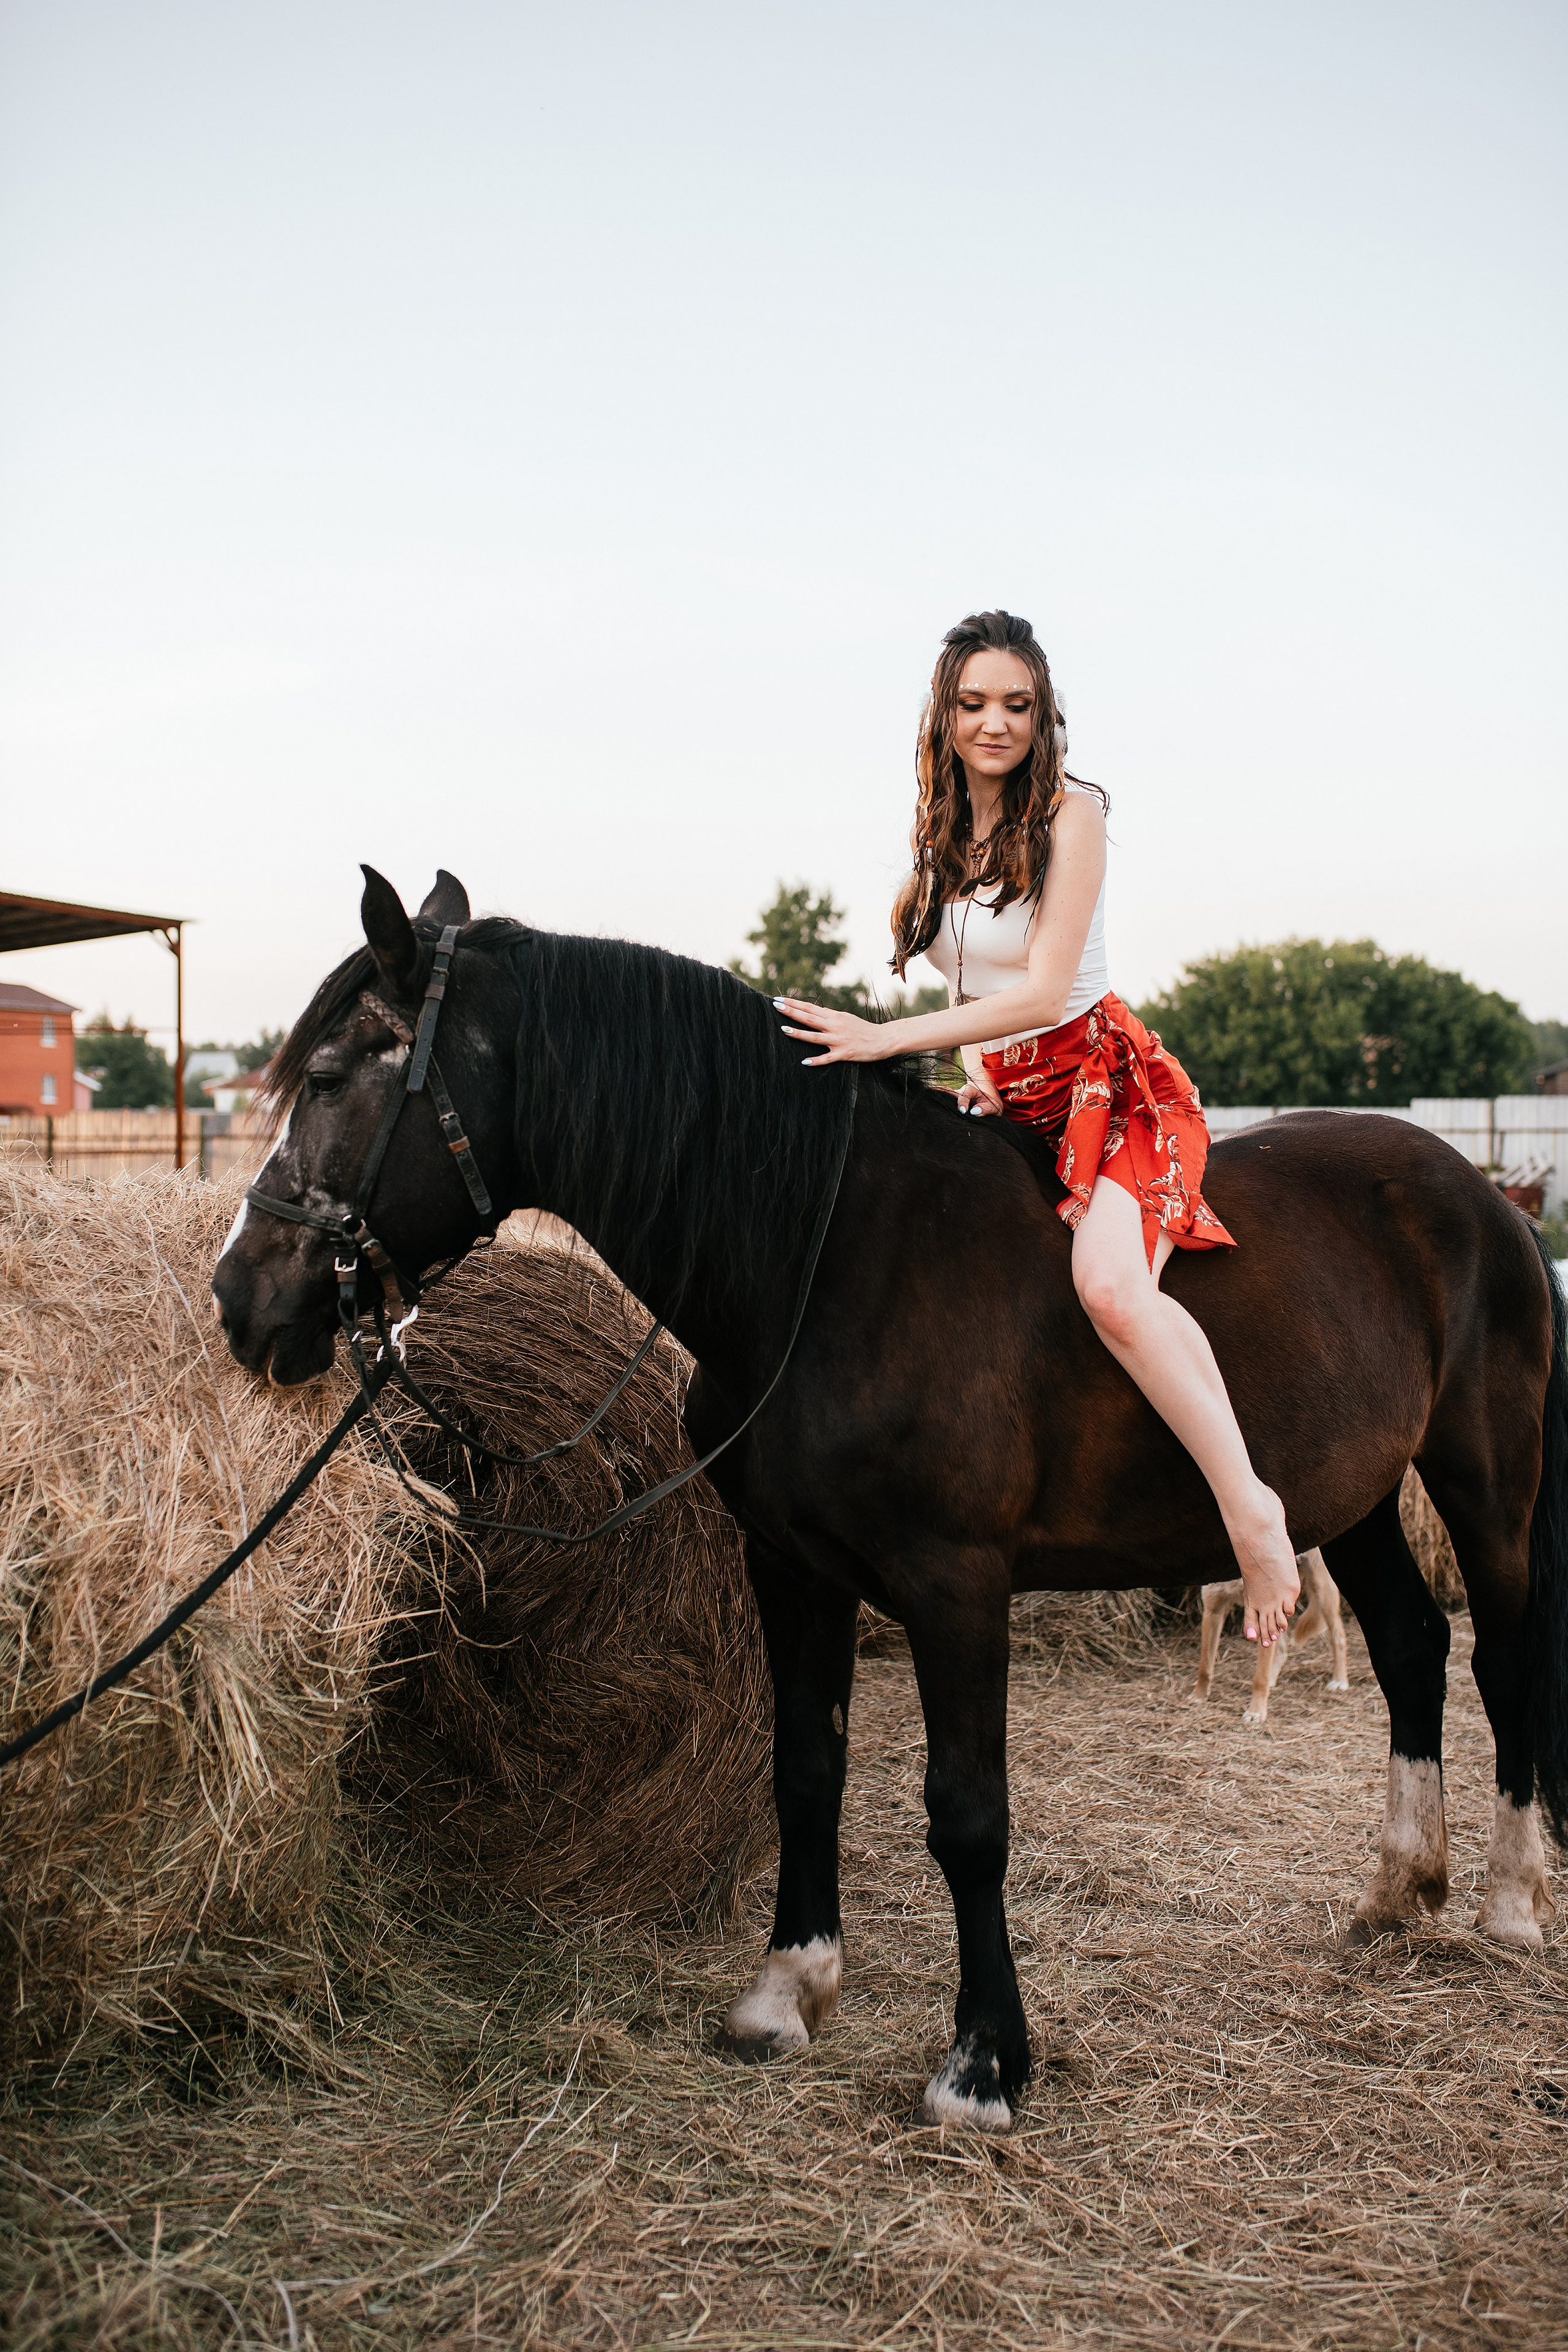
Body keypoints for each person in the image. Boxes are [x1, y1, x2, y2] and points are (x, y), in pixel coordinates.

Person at [775, 608, 1300, 1643]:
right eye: (973, 704)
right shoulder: (940, 838)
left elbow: (1047, 988)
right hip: (1014, 1100)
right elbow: (978, 984)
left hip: (1112, 1095)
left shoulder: (1074, 812)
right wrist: (979, 1077)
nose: (995, 723)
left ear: (1043, 714)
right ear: (945, 713)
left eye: (1017, 704)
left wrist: (892, 1041)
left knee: (1108, 1287)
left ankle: (1253, 1512)